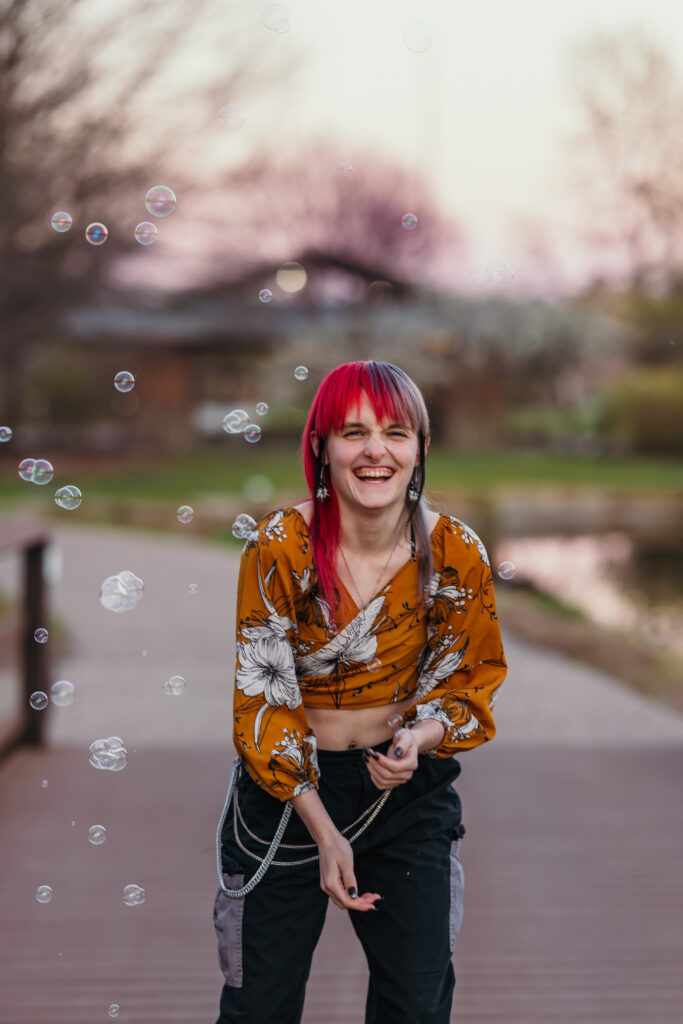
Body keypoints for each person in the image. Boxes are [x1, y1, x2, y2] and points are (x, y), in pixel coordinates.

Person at [214, 360, 507, 1024]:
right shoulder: (280, 546)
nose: (375, 449)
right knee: (257, 1007)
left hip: (403, 799)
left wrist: (419, 739)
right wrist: (323, 829)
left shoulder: (457, 551)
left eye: (395, 432)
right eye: (352, 432)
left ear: (420, 449)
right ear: (320, 447)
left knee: (416, 1008)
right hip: (287, 797)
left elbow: (470, 684)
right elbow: (263, 702)